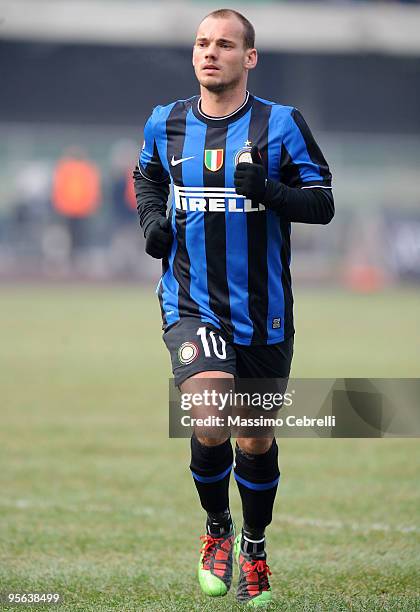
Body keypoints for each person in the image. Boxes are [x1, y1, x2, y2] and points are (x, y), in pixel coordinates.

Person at [134, 8, 333, 607]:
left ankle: (254, 542)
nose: (209, 53)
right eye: (201, 43)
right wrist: (152, 222)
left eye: (224, 44)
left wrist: (269, 192)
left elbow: (321, 202)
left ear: (249, 58)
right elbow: (146, 177)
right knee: (209, 408)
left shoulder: (282, 125)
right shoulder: (164, 122)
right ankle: (217, 529)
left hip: (265, 312)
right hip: (191, 303)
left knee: (254, 441)